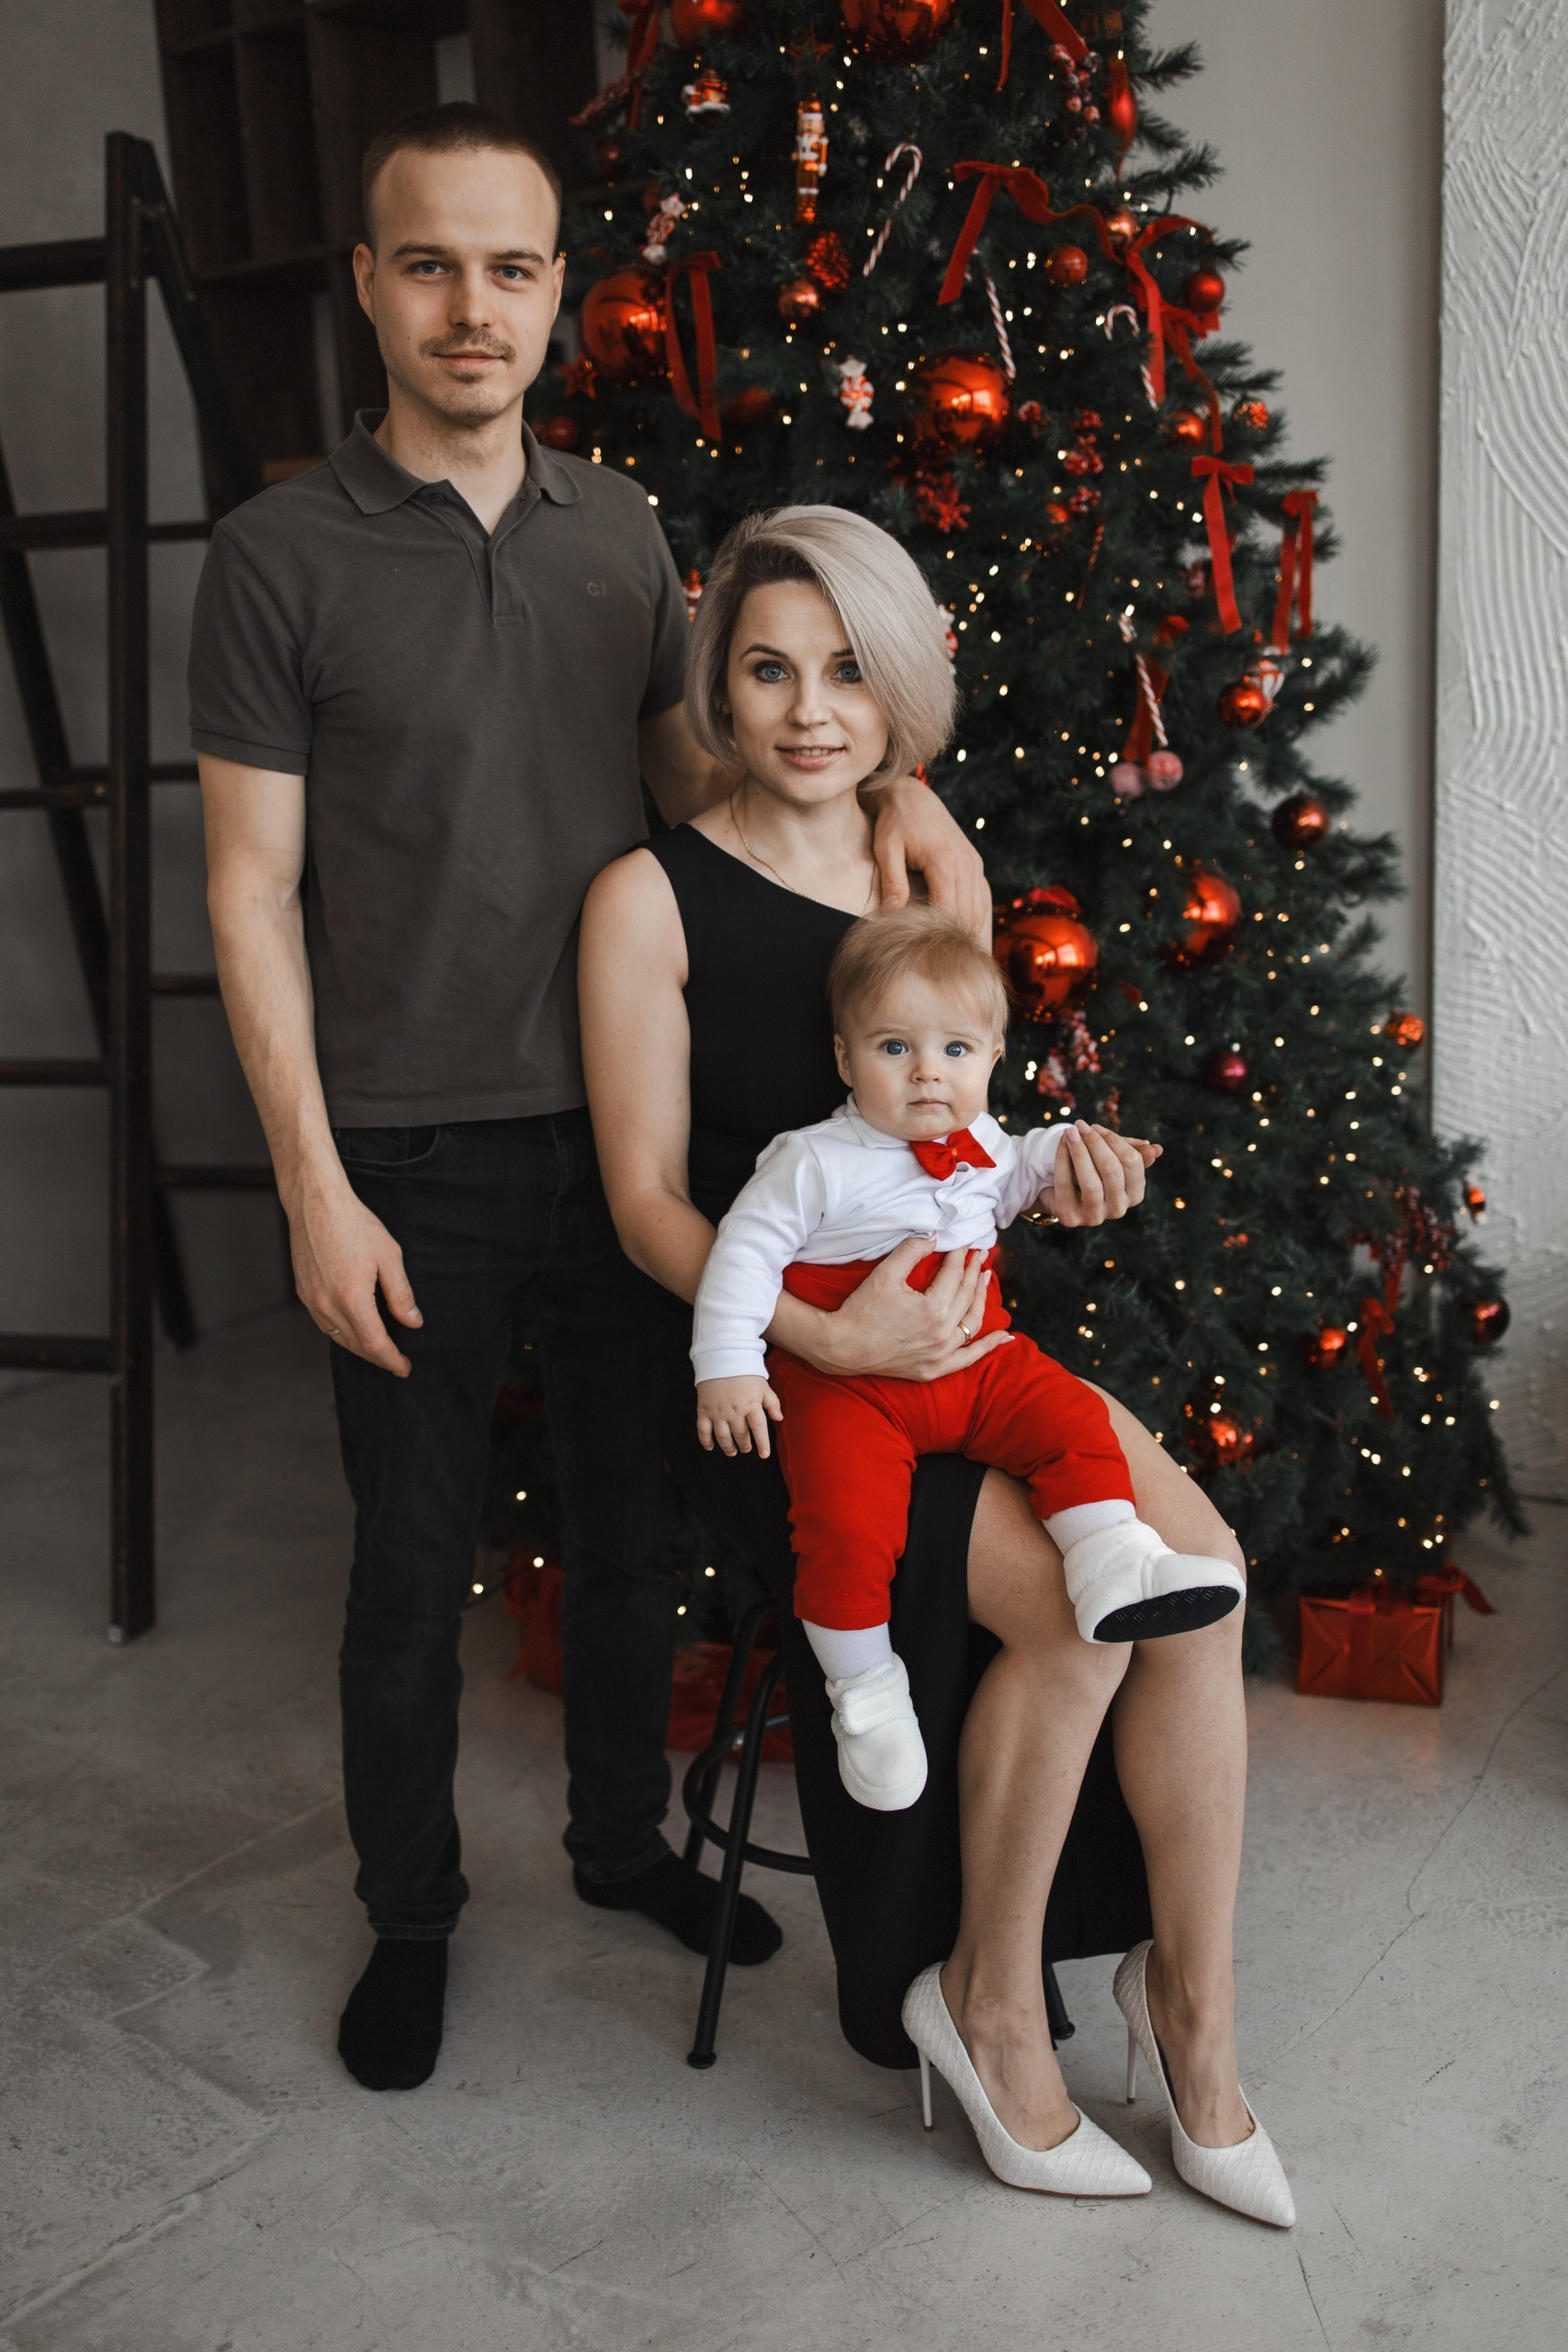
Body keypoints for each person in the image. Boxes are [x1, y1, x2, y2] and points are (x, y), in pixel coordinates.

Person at [190, 102, 986, 2096]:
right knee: (408, 1572)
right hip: (407, 1153)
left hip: (635, 1138)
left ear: (557, 294)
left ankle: (621, 1845)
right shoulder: (276, 555)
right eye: (430, 265)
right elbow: (249, 892)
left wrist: (892, 789)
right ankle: (410, 1917)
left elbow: (710, 785)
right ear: (369, 285)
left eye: (512, 267)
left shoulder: (620, 534)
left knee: (631, 1544)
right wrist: (311, 1187)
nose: (472, 306)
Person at [580, 503, 1294, 2225]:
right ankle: (982, 2007)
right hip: (772, 1383)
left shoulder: (925, 868)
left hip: (963, 1353)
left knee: (1201, 1572)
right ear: (717, 686)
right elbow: (647, 1205)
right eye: (767, 670)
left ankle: (1188, 2017)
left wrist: (1061, 1174)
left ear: (897, 689)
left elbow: (954, 1123)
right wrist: (829, 1332)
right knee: (1069, 1606)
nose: (808, 710)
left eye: (847, 671)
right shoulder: (644, 899)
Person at [692, 900, 1246, 1813]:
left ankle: (1109, 1559)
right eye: (894, 1047)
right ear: (845, 1059)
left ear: (991, 1058)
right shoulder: (813, 1160)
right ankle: (865, 1692)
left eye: (954, 1049)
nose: (926, 1073)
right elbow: (740, 1257)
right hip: (848, 1386)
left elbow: (1029, 1161)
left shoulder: (982, 1143)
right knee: (844, 1522)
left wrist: (1080, 1151)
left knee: (1071, 1417)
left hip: (978, 1364)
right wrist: (728, 1366)